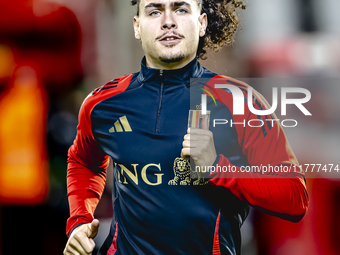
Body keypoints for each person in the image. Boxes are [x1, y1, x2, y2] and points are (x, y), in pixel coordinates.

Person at [63, 0, 309, 254]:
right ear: (137, 26)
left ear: (201, 23)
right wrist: (80, 221)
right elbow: (83, 161)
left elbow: (294, 198)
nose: (168, 21)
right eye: (155, 11)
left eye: (181, 9)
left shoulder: (240, 103)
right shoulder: (102, 104)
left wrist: (217, 167)